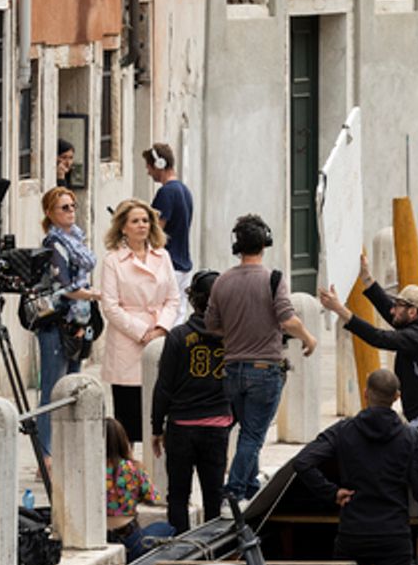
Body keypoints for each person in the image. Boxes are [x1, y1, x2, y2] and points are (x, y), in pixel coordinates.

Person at [205, 214, 318, 503]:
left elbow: (212, 325)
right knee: (253, 435)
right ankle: (234, 491)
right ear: (264, 243)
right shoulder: (273, 279)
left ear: (237, 246)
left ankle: (251, 487)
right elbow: (288, 319)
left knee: (246, 431)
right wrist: (308, 337)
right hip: (264, 369)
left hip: (232, 370)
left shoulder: (222, 282)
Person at [291, 369, 418, 565]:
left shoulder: (343, 431)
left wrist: (331, 493)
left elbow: (303, 462)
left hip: (353, 533)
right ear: (397, 397)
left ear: (366, 393)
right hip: (393, 535)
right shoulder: (410, 437)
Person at [317, 254, 418, 436]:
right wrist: (366, 278)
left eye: (398, 305)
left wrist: (339, 309)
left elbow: (378, 338)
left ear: (412, 312)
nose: (392, 309)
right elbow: (389, 312)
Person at [150, 270, 231, 533]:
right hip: (217, 425)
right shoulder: (233, 335)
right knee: (213, 495)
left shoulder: (178, 336)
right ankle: (212, 547)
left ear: (193, 300)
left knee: (178, 494)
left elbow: (163, 387)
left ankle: (180, 546)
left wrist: (156, 426)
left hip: (181, 425)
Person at [99, 198, 179, 445]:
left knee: (159, 407)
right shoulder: (113, 261)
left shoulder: (162, 256)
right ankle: (127, 469)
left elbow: (173, 298)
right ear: (123, 227)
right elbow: (110, 305)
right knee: (128, 412)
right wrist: (142, 331)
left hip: (159, 336)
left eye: (145, 220)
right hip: (127, 339)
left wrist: (160, 328)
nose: (141, 225)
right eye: (135, 221)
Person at [35, 186, 100, 458]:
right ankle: (46, 454)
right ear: (50, 213)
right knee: (52, 388)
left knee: (73, 384)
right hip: (57, 321)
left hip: (79, 318)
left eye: (73, 206)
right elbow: (63, 286)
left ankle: (66, 450)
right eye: (64, 207)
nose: (71, 211)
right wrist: (94, 293)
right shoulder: (54, 243)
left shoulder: (76, 240)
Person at [104, 418, 173, 561]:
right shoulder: (133, 468)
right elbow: (152, 497)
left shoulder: (87, 471)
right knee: (167, 528)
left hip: (102, 537)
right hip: (130, 539)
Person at [144, 143, 194, 317]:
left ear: (159, 164)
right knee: (178, 315)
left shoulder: (166, 193)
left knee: (163, 317)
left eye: (149, 167)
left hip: (168, 266)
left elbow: (155, 232)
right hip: (183, 265)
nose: (148, 172)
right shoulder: (184, 190)